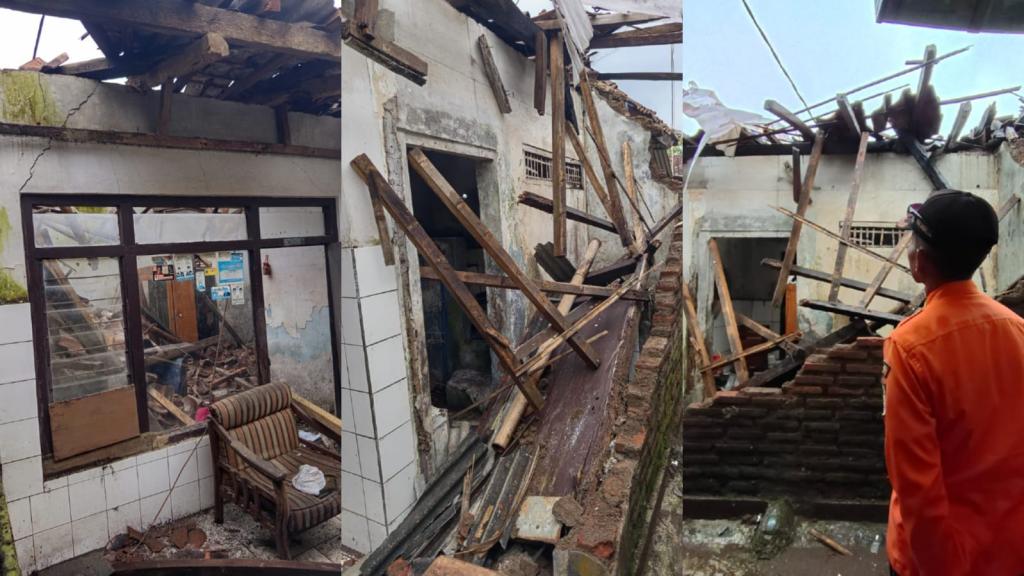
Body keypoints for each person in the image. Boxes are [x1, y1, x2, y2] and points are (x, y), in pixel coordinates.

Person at [885, 190, 1024, 575]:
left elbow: (917, 487)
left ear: (921, 261)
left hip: (940, 558)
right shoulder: (1017, 330)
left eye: (912, 244)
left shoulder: (910, 345)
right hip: (1010, 548)